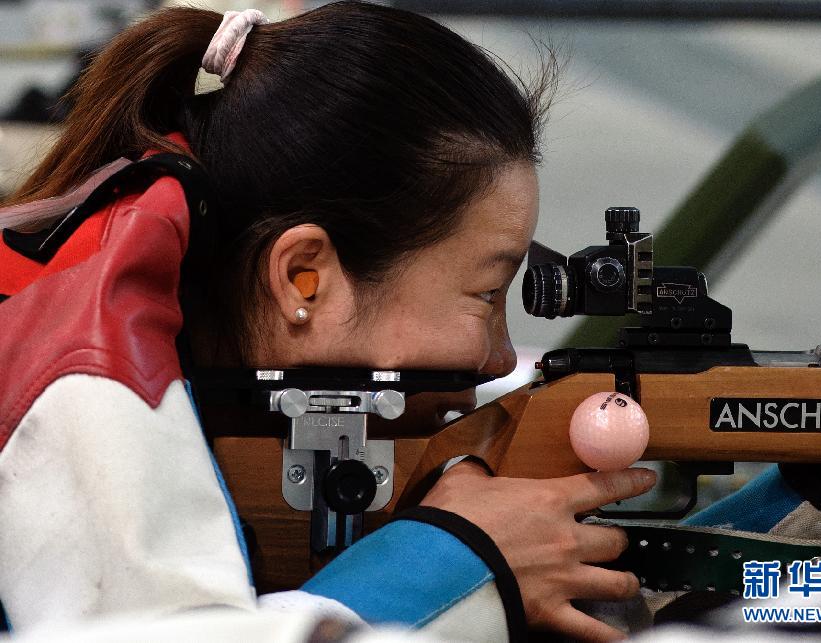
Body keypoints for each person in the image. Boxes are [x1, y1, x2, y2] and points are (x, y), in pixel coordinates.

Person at [0, 2, 656, 641]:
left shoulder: (89, 308)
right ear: (302, 278)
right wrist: (456, 563)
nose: (495, 357)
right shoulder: (89, 383)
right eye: (486, 294)